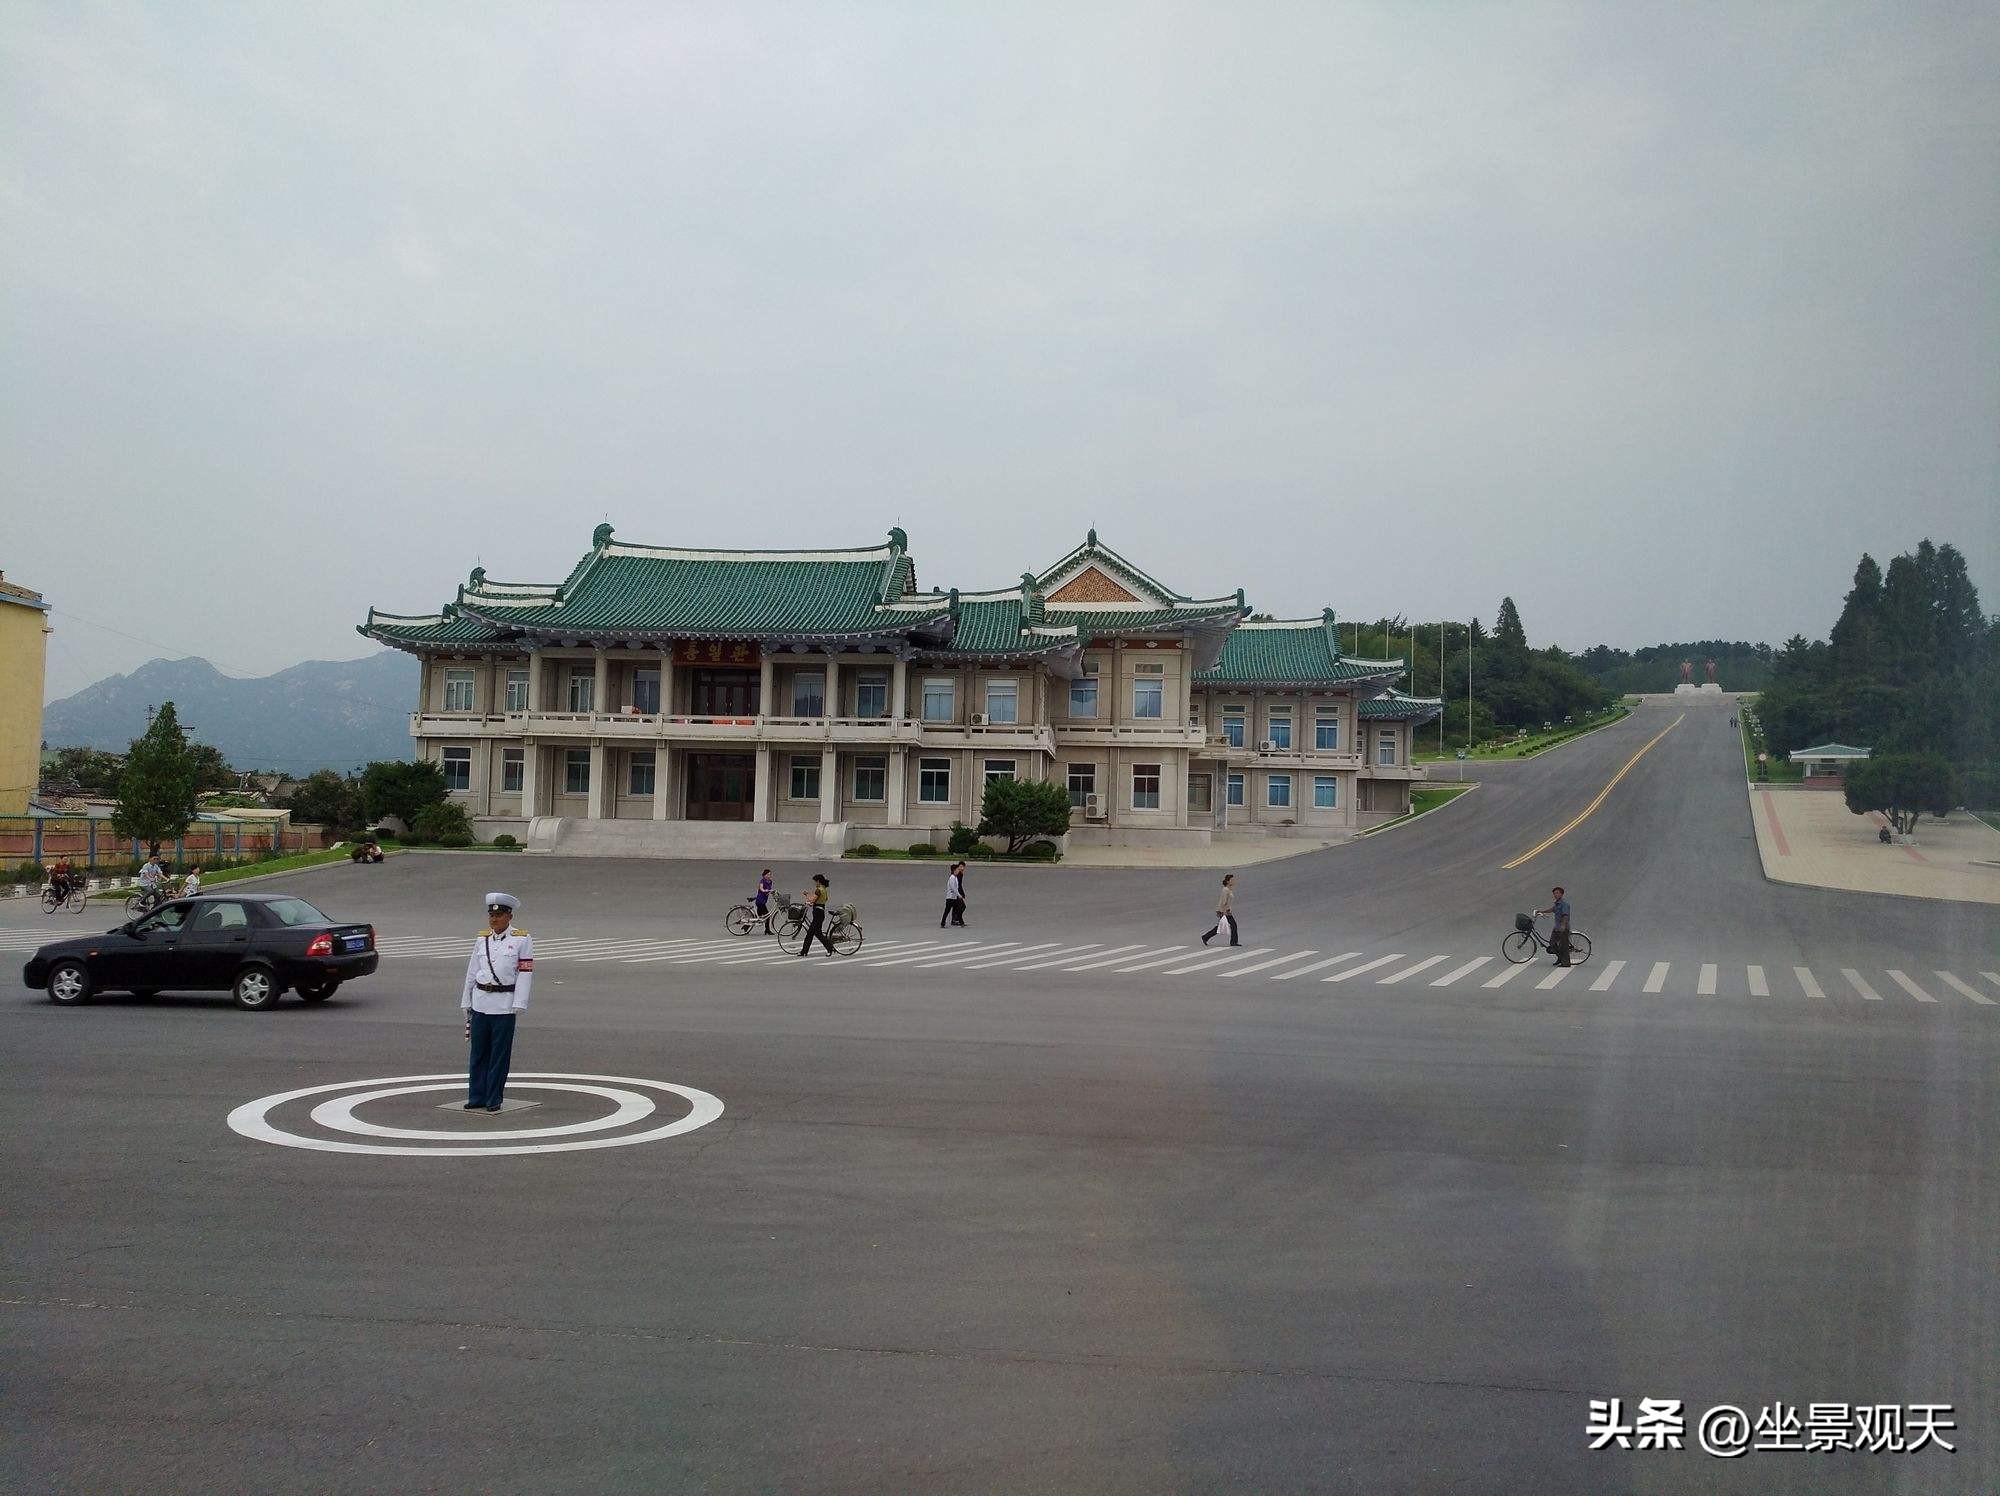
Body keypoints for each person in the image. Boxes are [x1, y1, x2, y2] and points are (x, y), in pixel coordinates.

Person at [461, 891, 535, 1112]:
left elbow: (525, 973)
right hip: (480, 1002)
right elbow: (472, 972)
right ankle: (476, 1096)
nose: (494, 920)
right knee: (478, 1054)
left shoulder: (522, 939)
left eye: (499, 916)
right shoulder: (482, 939)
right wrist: (466, 1001)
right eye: (491, 916)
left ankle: (494, 1098)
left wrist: (519, 1003)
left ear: (509, 917)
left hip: (504, 1004)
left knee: (498, 1056)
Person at [796, 873, 837, 957]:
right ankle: (829, 948)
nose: (815, 883)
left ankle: (804, 951)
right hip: (821, 912)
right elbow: (821, 900)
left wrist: (806, 895)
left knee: (810, 933)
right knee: (817, 933)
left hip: (817, 913)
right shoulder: (824, 889)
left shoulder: (818, 890)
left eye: (815, 882)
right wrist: (812, 902)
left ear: (818, 881)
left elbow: (812, 900)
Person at [1534, 886, 1573, 966]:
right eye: (1554, 893)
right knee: (1552, 943)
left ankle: (1566, 963)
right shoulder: (1557, 904)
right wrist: (1541, 911)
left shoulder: (1564, 904)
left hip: (1563, 928)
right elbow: (1552, 909)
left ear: (1562, 894)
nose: (1555, 895)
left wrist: (1563, 925)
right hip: (1557, 928)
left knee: (1564, 946)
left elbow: (1565, 915)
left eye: (1557, 893)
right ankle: (1560, 958)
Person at [1201, 874, 1240, 946]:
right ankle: (1233, 942)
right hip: (1224, 911)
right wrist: (1224, 912)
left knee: (1220, 927)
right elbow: (1223, 902)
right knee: (1233, 925)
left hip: (1225, 911)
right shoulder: (1225, 890)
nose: (1234, 881)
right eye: (1232, 880)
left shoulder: (1228, 889)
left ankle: (1205, 937)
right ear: (1228, 881)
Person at [941, 863, 966, 928]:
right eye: (957, 869)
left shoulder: (955, 878)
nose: (958, 871)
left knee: (959, 909)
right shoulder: (952, 878)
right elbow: (953, 888)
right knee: (947, 911)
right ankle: (942, 923)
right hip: (950, 898)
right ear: (954, 870)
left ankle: (961, 923)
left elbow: (957, 887)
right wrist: (959, 895)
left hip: (954, 898)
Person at [755, 868, 775, 932]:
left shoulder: (770, 881)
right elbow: (761, 888)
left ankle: (746, 927)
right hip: (760, 901)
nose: (769, 876)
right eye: (768, 874)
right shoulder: (762, 881)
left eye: (770, 874)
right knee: (767, 916)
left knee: (758, 916)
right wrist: (764, 890)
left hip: (763, 901)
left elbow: (769, 890)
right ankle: (767, 930)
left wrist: (772, 892)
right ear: (764, 875)